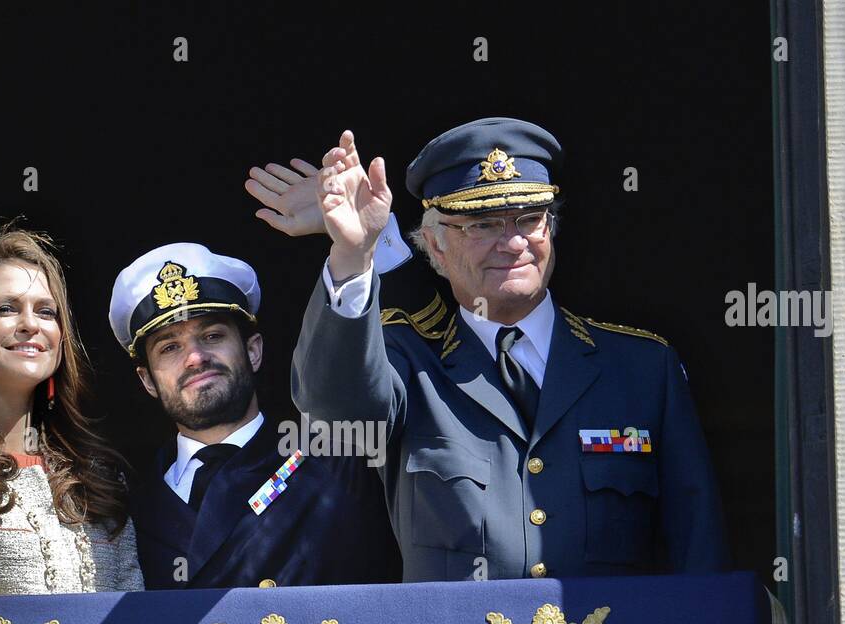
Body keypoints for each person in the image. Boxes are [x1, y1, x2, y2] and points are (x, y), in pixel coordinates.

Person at [251, 119, 730, 581]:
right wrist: (354, 254)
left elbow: (698, 547)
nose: (514, 241)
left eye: (530, 219)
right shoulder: (407, 360)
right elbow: (339, 420)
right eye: (482, 225)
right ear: (435, 248)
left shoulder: (642, 367)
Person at [108, 242, 401, 589]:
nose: (195, 358)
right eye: (170, 347)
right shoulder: (125, 506)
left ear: (253, 350)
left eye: (212, 335)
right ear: (147, 380)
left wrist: (362, 245)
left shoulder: (340, 460)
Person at [0, 227, 143, 594]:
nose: (30, 324)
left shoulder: (98, 476)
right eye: (6, 309)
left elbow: (133, 613)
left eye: (46, 312)